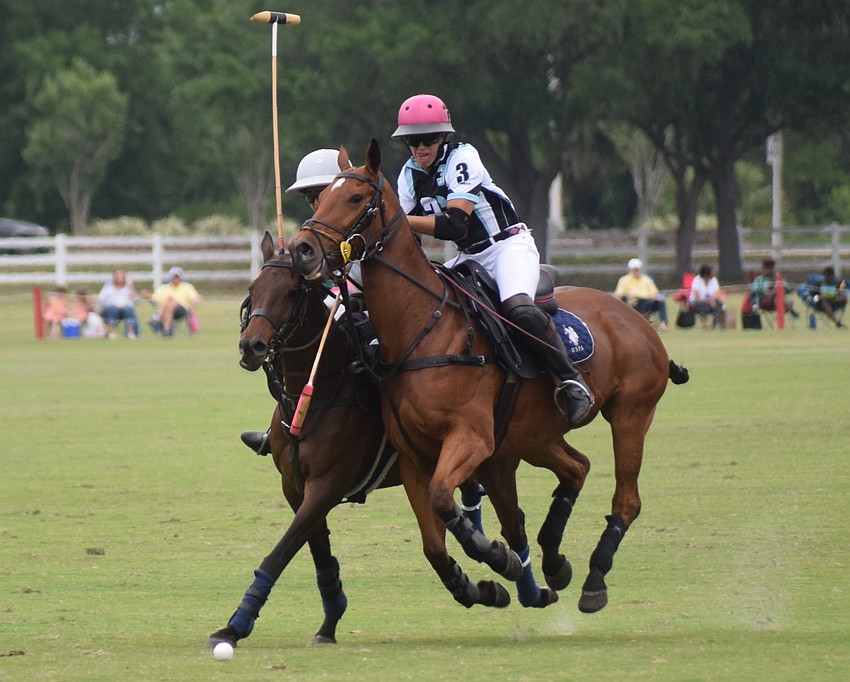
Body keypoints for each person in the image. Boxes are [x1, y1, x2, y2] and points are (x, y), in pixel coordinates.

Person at [390, 93, 593, 426]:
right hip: (468, 257)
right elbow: (408, 237)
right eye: (411, 141)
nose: (419, 148)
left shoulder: (463, 156)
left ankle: (572, 382)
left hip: (506, 247)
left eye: (427, 139)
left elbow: (456, 223)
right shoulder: (408, 175)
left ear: (443, 136)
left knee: (518, 308)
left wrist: (397, 220)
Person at [241, 149, 343, 455]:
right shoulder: (310, 227)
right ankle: (278, 427)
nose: (314, 202)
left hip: (360, 294)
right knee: (288, 342)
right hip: (329, 296)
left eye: (319, 193)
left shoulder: (355, 216)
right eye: (309, 196)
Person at [614, 258, 669, 330]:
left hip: (647, 301)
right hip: (633, 304)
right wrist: (627, 294)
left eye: (638, 269)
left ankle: (663, 323)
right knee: (642, 301)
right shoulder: (624, 280)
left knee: (660, 302)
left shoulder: (646, 279)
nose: (637, 271)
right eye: (635, 269)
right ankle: (641, 323)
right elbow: (618, 294)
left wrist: (654, 296)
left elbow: (654, 293)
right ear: (630, 269)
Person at [147, 266, 201, 336]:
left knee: (170, 301)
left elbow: (195, 298)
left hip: (181, 310)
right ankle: (167, 330)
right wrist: (147, 295)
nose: (175, 279)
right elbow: (153, 298)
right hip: (166, 310)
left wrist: (195, 303)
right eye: (173, 277)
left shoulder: (187, 287)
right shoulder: (164, 287)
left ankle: (158, 320)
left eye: (177, 277)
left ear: (180, 277)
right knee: (168, 301)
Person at [96, 269, 140, 339]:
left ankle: (130, 333)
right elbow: (100, 300)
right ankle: (112, 332)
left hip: (125, 309)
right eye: (118, 276)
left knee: (128, 309)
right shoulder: (108, 287)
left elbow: (137, 300)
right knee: (112, 309)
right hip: (110, 309)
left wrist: (131, 287)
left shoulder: (127, 288)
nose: (120, 278)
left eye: (122, 276)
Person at [689, 264, 725, 328]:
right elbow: (697, 297)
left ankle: (714, 321)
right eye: (712, 272)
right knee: (700, 303)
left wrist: (713, 300)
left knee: (719, 303)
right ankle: (704, 323)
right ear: (706, 274)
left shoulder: (714, 280)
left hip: (711, 302)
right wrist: (709, 301)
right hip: (697, 302)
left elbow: (717, 292)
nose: (714, 273)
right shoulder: (697, 280)